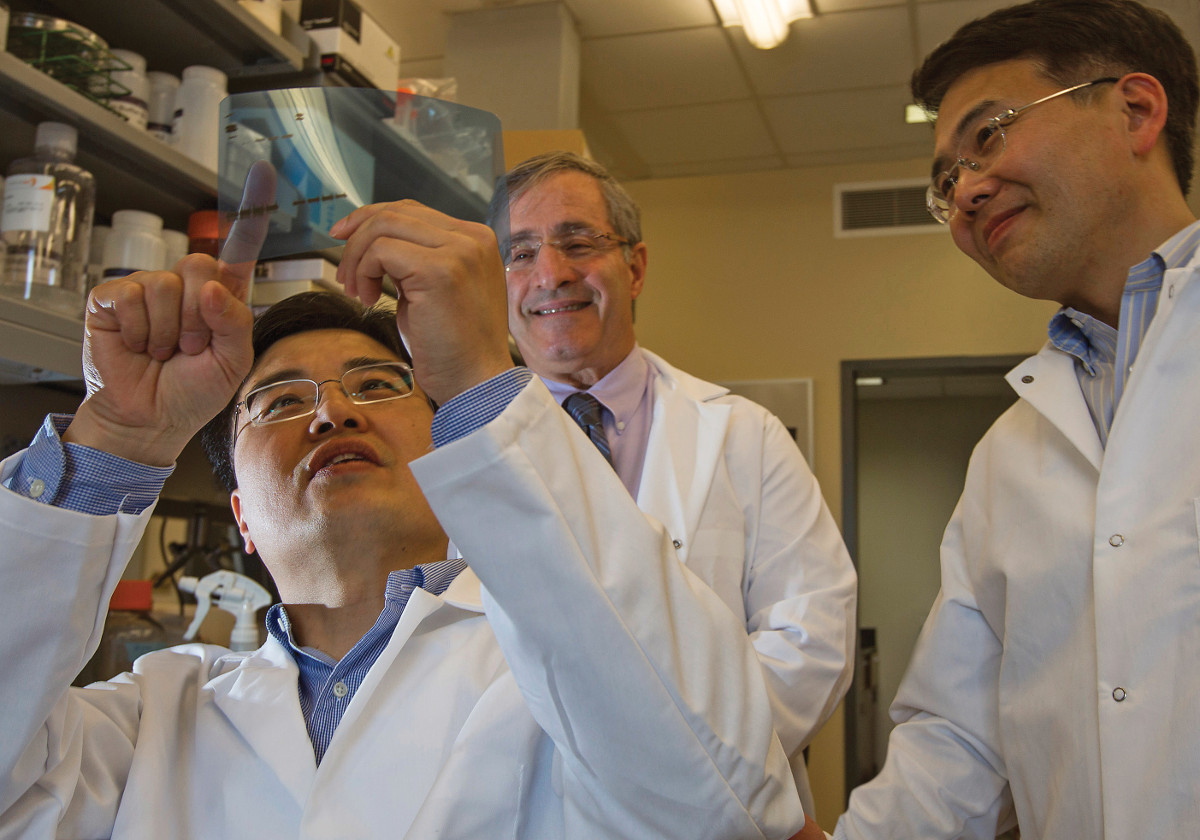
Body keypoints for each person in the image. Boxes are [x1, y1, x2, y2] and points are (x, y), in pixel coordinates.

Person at [0, 195, 827, 837]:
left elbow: (720, 800)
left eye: (377, 386)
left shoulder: (567, 673)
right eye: (282, 402)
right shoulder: (147, 716)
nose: (331, 418)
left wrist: (477, 377)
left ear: (454, 466)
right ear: (241, 516)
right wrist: (115, 436)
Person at [834, 0, 1200, 837]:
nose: (963, 190)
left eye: (988, 134)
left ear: (1135, 110)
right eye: (944, 180)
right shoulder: (1010, 453)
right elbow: (959, 739)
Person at [490, 152, 858, 812]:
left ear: (634, 267)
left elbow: (812, 643)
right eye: (519, 253)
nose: (551, 273)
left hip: (717, 809)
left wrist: (680, 774)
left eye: (578, 241)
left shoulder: (747, 437)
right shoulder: (471, 454)